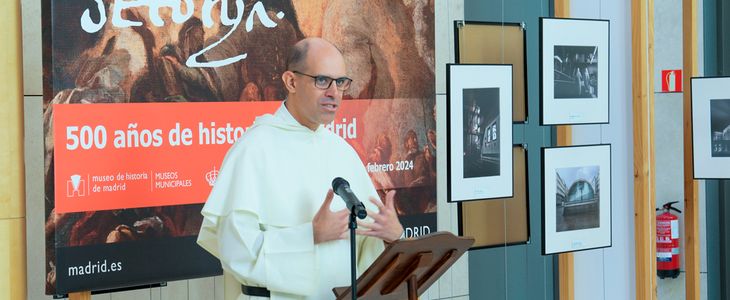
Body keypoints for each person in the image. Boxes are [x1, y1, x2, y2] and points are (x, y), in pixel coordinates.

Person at [197, 37, 404, 300]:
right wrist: (310, 236)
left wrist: (391, 237)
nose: (334, 92)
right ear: (291, 82)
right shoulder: (253, 150)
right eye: (322, 81)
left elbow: (364, 254)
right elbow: (237, 253)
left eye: (340, 82)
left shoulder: (342, 151)